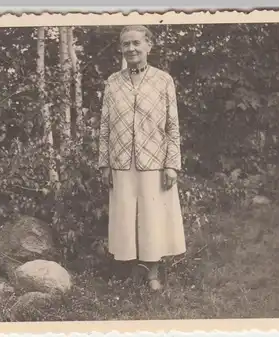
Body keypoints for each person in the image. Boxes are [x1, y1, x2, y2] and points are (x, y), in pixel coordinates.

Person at [98, 25, 186, 291]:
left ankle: (153, 274)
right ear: (121, 49)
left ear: (149, 45)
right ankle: (131, 269)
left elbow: (173, 125)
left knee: (151, 216)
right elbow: (104, 125)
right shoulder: (113, 82)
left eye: (137, 43)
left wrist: (172, 164)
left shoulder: (163, 80)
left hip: (154, 159)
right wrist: (104, 163)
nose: (131, 49)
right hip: (121, 159)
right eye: (126, 44)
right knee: (125, 215)